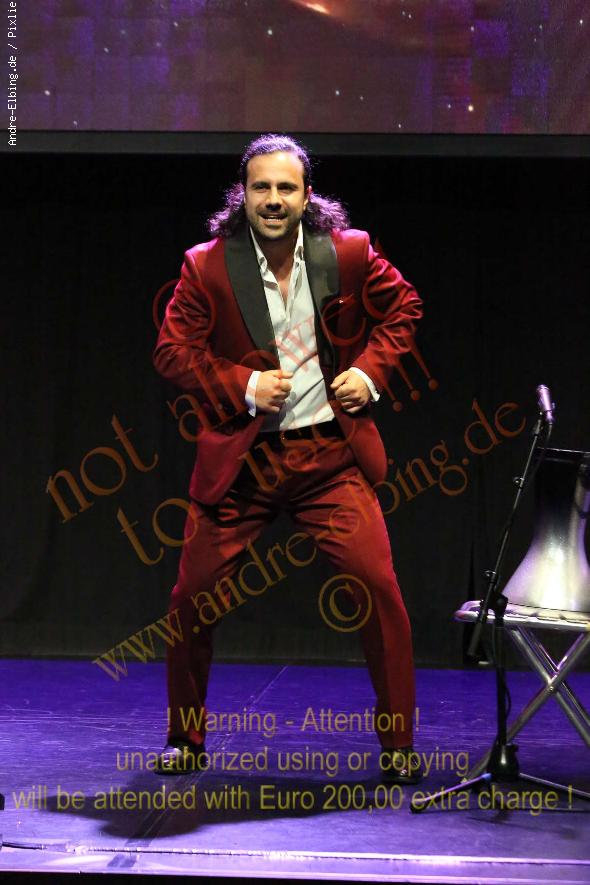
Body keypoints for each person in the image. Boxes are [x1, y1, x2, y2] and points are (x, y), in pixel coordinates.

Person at [152, 134, 423, 782]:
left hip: (327, 458)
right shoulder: (207, 266)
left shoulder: (346, 252)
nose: (273, 200)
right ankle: (186, 739)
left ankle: (399, 746)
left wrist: (370, 372)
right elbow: (172, 351)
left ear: (306, 196)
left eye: (285, 188)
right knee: (191, 598)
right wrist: (243, 384)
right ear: (242, 195)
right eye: (261, 187)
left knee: (378, 588)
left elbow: (404, 308)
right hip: (243, 464)